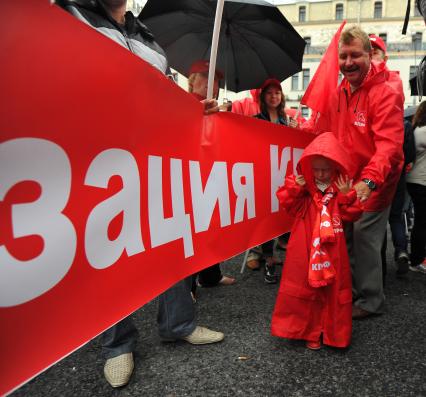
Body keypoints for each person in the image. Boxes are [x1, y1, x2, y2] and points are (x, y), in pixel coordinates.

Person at [57, 0, 224, 388]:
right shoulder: (67, 15)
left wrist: (194, 107)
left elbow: (165, 97)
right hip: (98, 160)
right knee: (108, 250)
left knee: (167, 242)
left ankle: (178, 323)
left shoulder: (149, 39)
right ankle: (117, 345)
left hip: (151, 159)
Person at [307, 25, 404, 319]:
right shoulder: (341, 90)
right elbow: (328, 131)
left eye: (356, 56)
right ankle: (353, 291)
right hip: (349, 179)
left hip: (376, 180)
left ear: (369, 56)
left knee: (365, 237)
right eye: (344, 56)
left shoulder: (385, 91)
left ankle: (372, 300)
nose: (348, 62)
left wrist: (369, 182)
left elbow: (388, 145)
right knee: (344, 233)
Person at [271, 132, 362, 350]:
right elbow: (288, 204)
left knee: (331, 290)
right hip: (303, 249)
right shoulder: (304, 190)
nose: (320, 174)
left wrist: (347, 195)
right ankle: (309, 331)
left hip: (333, 250)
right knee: (307, 287)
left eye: (326, 169)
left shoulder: (340, 189)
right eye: (316, 169)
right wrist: (297, 187)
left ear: (335, 167)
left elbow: (353, 215)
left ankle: (330, 332)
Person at [186, 60, 236, 297]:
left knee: (211, 228)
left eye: (215, 79)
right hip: (190, 177)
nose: (212, 83)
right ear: (192, 80)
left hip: (210, 174)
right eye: (206, 76)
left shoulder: (218, 110)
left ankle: (210, 275)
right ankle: (189, 286)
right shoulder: (183, 104)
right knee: (190, 234)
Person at [246, 78, 295, 283]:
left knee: (279, 217)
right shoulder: (256, 119)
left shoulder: (287, 121)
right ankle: (267, 258)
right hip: (263, 177)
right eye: (270, 93)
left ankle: (271, 254)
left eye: (277, 93)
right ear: (263, 97)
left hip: (283, 178)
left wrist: (294, 131)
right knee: (266, 217)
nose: (274, 96)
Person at [369, 34, 410, 277]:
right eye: (369, 51)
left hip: (386, 171)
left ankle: (377, 283)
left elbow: (391, 142)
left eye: (376, 52)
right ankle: (380, 274)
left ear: (385, 57)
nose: (372, 56)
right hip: (377, 169)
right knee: (376, 227)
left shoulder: (390, 84)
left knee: (386, 218)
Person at [407, 101, 426, 273]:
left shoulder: (417, 129)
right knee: (421, 221)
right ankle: (417, 259)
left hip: (415, 180)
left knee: (420, 220)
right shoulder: (424, 131)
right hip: (421, 182)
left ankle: (416, 258)